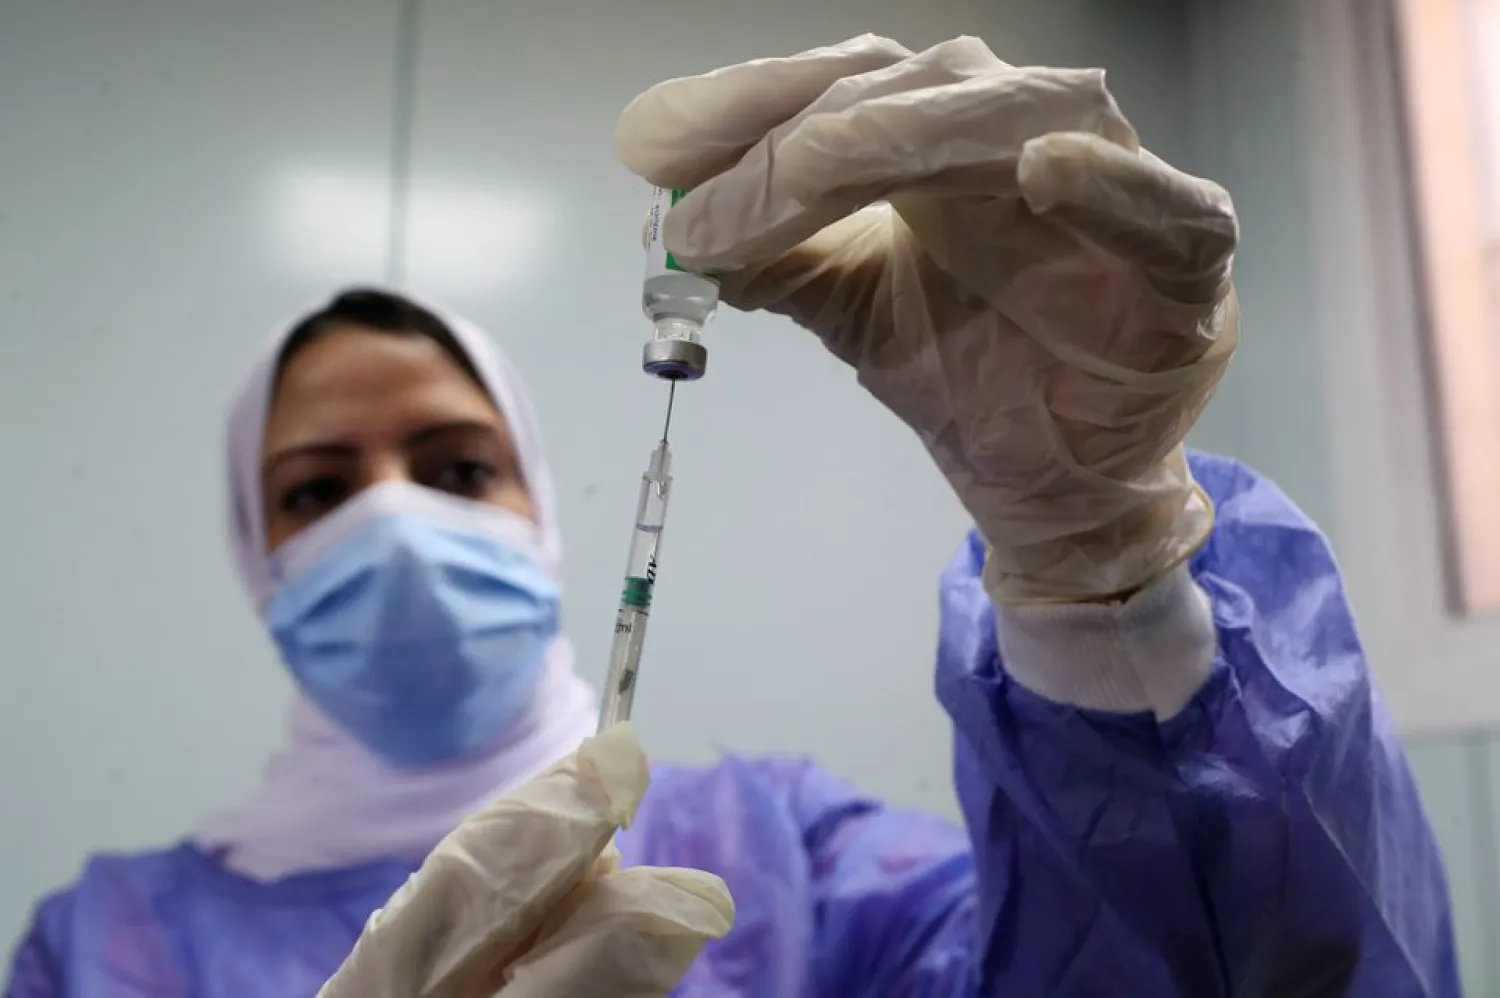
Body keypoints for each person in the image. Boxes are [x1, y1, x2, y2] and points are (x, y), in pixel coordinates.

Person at [5, 33, 1459, 998]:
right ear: (254, 556)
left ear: (541, 513)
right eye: (316, 489)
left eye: (457, 466)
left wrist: (1101, 577)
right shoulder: (100, 947)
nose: (393, 518)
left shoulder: (789, 859)